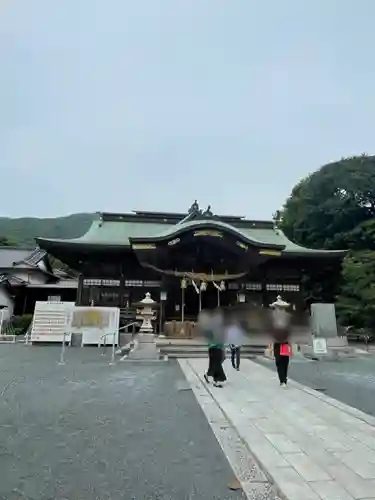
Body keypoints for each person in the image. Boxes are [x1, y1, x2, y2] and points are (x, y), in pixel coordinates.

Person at [200, 308, 227, 388]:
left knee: (214, 364)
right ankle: (217, 380)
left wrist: (223, 348)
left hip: (218, 347)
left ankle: (208, 375)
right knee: (216, 364)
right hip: (214, 347)